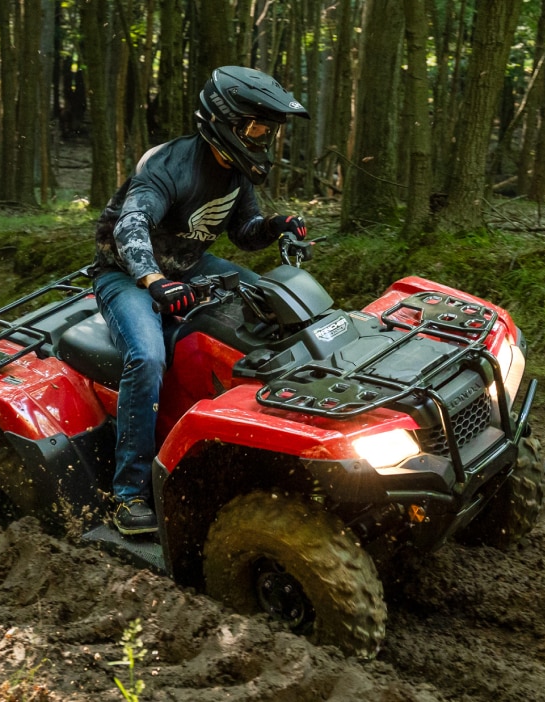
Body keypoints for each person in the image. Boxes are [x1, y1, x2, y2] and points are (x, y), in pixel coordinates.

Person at [90, 66, 311, 536]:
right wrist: (152, 279)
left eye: (269, 130)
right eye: (257, 127)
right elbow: (131, 225)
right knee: (147, 357)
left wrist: (276, 225)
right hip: (127, 274)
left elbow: (244, 234)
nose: (264, 138)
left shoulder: (235, 171)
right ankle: (128, 494)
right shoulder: (167, 166)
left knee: (273, 302)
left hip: (187, 265)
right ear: (225, 120)